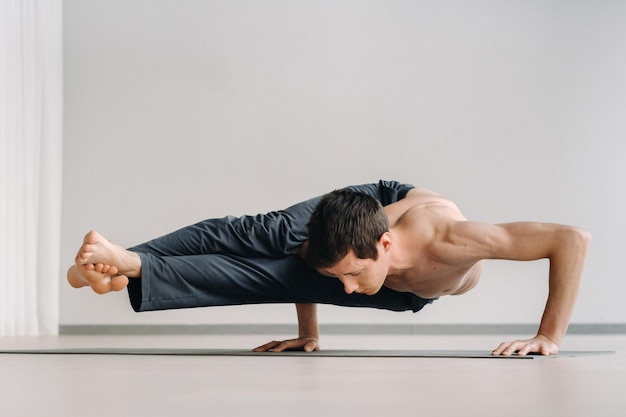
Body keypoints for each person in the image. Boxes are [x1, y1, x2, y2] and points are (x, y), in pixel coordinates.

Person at [67, 180, 591, 356]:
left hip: (406, 274)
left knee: (275, 275)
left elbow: (571, 239)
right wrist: (308, 331)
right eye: (341, 278)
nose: (344, 289)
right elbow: (317, 264)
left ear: (385, 247)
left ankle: (126, 264)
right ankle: (124, 260)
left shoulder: (456, 241)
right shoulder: (363, 253)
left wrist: (549, 336)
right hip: (370, 207)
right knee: (266, 235)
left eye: (350, 277)